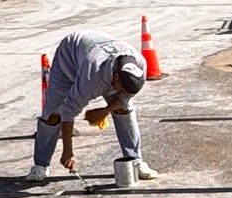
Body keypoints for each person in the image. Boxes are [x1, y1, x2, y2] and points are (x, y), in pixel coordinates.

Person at [28, 30, 159, 184]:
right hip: (69, 58)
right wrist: (67, 152)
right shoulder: (93, 75)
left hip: (96, 57)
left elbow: (124, 98)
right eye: (121, 89)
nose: (121, 94)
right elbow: (68, 110)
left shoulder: (140, 68)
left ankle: (135, 161)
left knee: (123, 109)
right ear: (116, 78)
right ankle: (41, 165)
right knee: (53, 114)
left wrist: (104, 111)